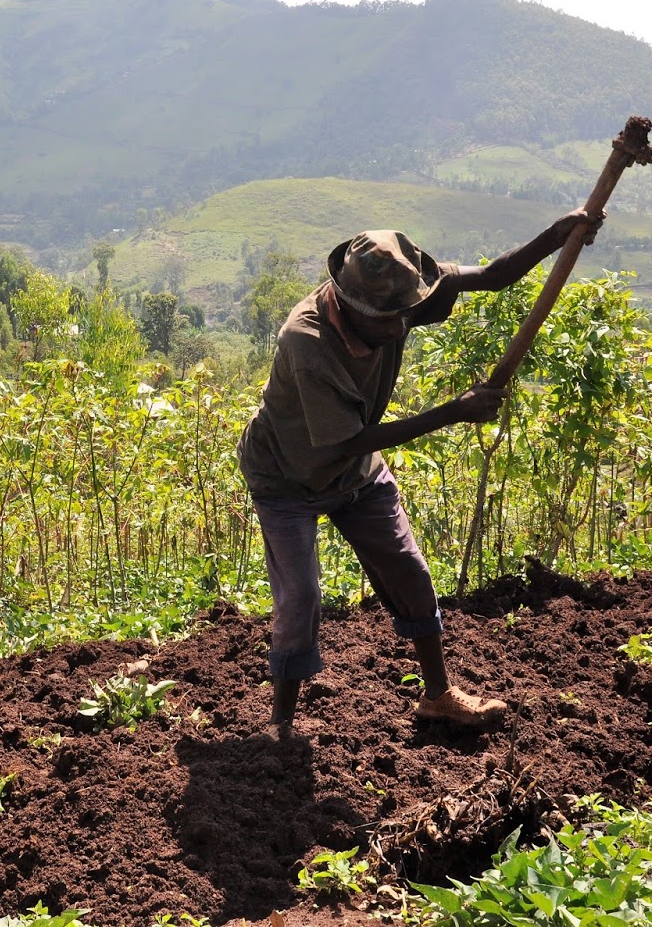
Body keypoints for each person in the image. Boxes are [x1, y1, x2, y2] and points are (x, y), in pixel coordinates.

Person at [236, 208, 602, 729]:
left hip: (356, 472)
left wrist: (558, 236)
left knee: (409, 571)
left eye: (404, 315)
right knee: (300, 598)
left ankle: (437, 697)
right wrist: (454, 411)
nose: (399, 326)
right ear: (349, 304)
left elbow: (493, 277)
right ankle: (281, 728)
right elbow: (349, 439)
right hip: (286, 477)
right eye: (386, 319)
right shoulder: (306, 340)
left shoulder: (399, 300)